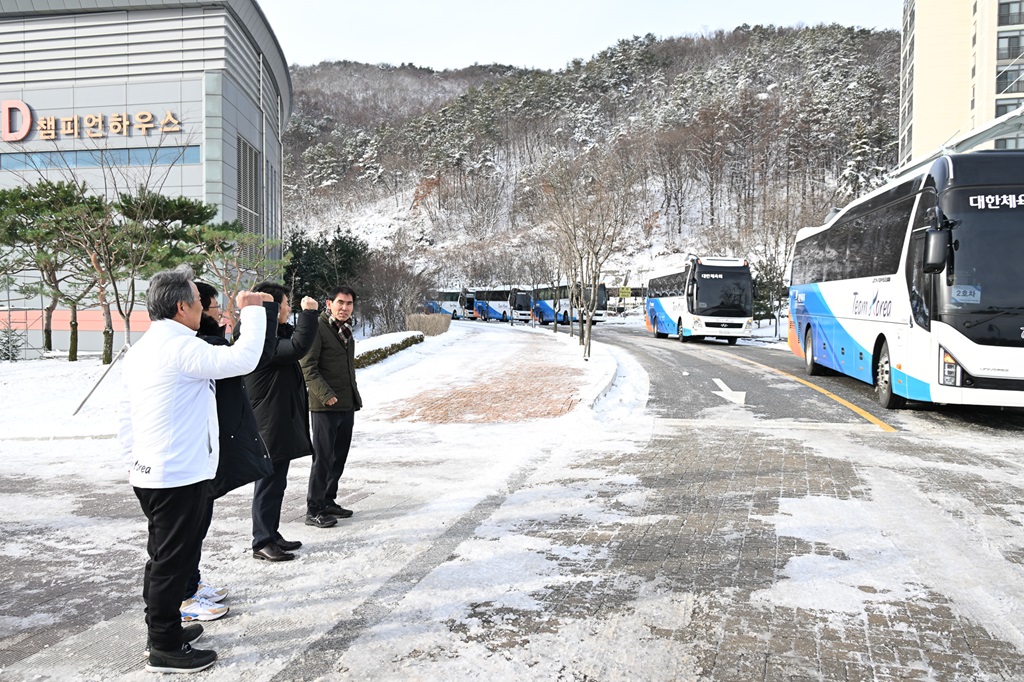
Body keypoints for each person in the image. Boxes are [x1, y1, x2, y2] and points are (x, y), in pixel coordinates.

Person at [118, 265, 267, 674]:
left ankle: (164, 631)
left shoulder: (146, 347)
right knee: (172, 563)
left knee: (164, 559)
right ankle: (164, 645)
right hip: (176, 475)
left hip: (155, 472)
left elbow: (125, 415)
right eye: (200, 302)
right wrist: (252, 310)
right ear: (182, 306)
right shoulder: (180, 347)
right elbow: (243, 359)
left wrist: (134, 460)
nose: (203, 309)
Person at [180, 281, 276, 614]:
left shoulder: (203, 342)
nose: (220, 312)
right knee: (187, 531)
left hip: (202, 452)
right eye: (213, 307)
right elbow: (253, 358)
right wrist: (258, 310)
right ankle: (184, 595)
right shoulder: (197, 345)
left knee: (196, 525)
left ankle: (190, 585)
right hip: (192, 455)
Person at [241, 281, 319, 560]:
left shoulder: (269, 334)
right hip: (267, 424)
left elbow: (289, 336)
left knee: (277, 483)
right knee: (268, 485)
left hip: (277, 422)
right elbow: (298, 346)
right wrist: (309, 314)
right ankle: (262, 540)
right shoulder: (259, 342)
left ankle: (271, 534)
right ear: (271, 308)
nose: (290, 307)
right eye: (286, 303)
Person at [300, 285, 362, 528]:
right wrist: (325, 395)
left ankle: (328, 499)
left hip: (346, 403)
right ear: (328, 304)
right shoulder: (318, 328)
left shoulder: (345, 331)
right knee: (323, 458)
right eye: (340, 303)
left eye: (348, 304)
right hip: (324, 405)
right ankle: (313, 508)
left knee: (339, 456)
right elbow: (308, 366)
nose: (344, 308)